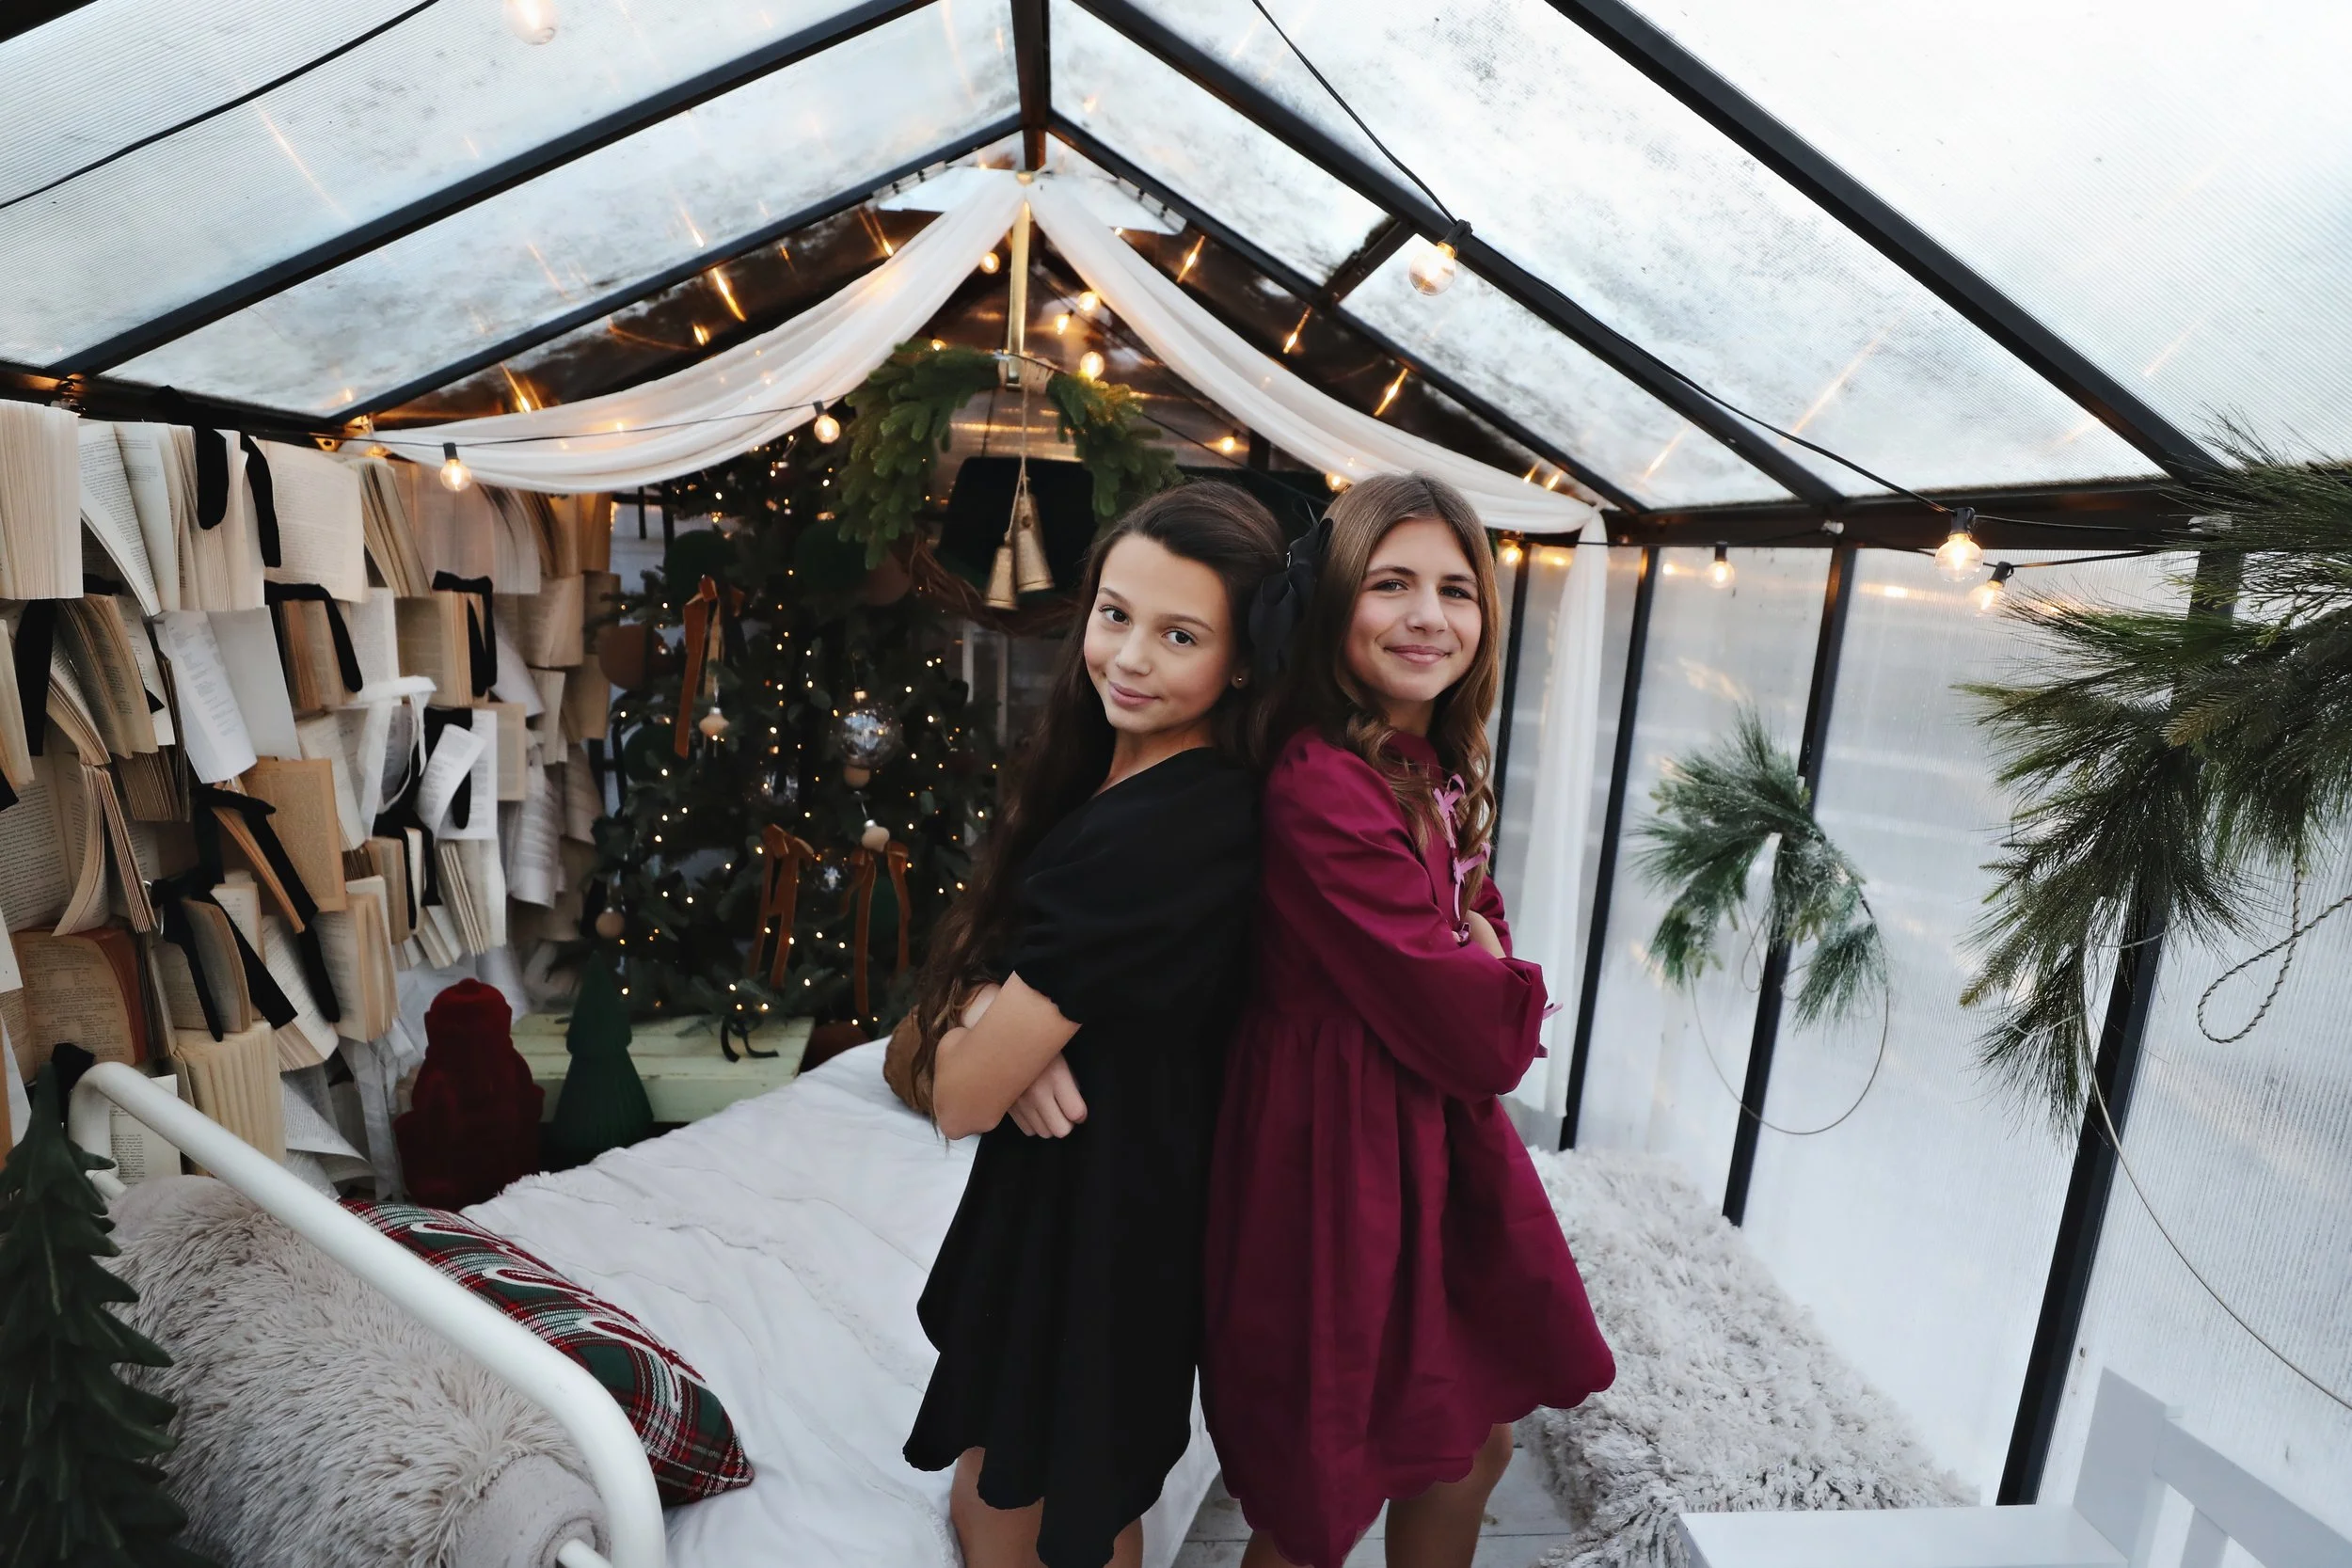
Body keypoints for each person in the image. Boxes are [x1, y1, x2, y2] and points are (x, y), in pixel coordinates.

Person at [1202, 473, 1615, 1568]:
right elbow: (1478, 1030)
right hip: (1334, 1158)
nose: (1429, 615)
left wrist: (1478, 955)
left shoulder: (1418, 762)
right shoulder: (1322, 785)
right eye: (1391, 583)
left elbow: (1475, 930)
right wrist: (1484, 965)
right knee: (1322, 1490)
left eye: (1456, 588)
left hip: (1423, 1136)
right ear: (1335, 601)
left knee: (1471, 1442)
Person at [901, 483, 1288, 1568]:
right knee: (1038, 1486)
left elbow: (961, 1096)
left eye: (1180, 634)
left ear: (1244, 659)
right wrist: (997, 1015)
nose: (1129, 654)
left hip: (1106, 1215)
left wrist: (994, 1046)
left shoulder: (1170, 826)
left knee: (1043, 1501)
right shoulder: (1126, 777)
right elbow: (990, 1019)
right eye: (1115, 614)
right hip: (1091, 1198)